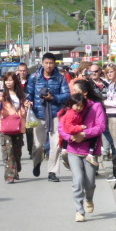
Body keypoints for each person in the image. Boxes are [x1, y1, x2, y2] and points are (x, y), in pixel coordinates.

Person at [59, 79, 107, 221]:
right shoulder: (70, 107)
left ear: (85, 93)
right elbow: (62, 127)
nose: (73, 93)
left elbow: (101, 127)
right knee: (78, 180)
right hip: (74, 149)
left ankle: (89, 199)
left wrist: (84, 134)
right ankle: (79, 211)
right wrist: (71, 138)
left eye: (76, 90)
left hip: (90, 151)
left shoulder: (96, 107)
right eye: (72, 91)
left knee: (90, 182)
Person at [27, 52, 71, 182]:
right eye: (46, 63)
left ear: (54, 64)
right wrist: (28, 100)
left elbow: (66, 95)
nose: (49, 65)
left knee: (56, 145)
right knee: (38, 145)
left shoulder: (61, 78)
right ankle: (37, 162)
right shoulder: (34, 77)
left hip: (55, 115)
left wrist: (54, 98)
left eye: (51, 63)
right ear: (42, 63)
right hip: (38, 115)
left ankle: (52, 172)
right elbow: (28, 93)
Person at [0, 72, 27, 183]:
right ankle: (9, 175)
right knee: (8, 151)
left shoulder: (20, 95)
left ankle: (16, 168)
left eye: (11, 80)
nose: (8, 83)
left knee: (17, 151)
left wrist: (26, 107)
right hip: (5, 126)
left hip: (18, 126)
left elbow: (25, 109)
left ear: (15, 81)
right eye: (6, 80)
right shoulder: (1, 95)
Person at [59, 94, 98, 166]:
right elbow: (68, 128)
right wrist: (80, 128)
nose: (79, 108)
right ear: (71, 104)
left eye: (81, 106)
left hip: (73, 132)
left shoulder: (75, 113)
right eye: (77, 105)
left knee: (93, 135)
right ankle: (90, 154)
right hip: (72, 132)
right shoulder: (72, 114)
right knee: (93, 136)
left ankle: (65, 152)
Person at [88, 63, 115, 160]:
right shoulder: (88, 84)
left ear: (100, 72)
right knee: (93, 140)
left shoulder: (106, 84)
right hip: (93, 115)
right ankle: (93, 167)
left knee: (112, 138)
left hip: (106, 114)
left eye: (96, 71)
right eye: (92, 71)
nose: (94, 73)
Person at [103, 64, 116, 160]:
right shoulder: (111, 83)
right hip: (110, 114)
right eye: (107, 72)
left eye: (112, 71)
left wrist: (106, 103)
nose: (109, 74)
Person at [17, 63, 34, 157]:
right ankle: (18, 149)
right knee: (18, 130)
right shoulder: (15, 81)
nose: (22, 72)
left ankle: (30, 150)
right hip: (18, 109)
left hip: (29, 108)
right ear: (18, 71)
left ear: (27, 71)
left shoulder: (31, 80)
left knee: (29, 131)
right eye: (21, 70)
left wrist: (30, 102)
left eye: (24, 70)